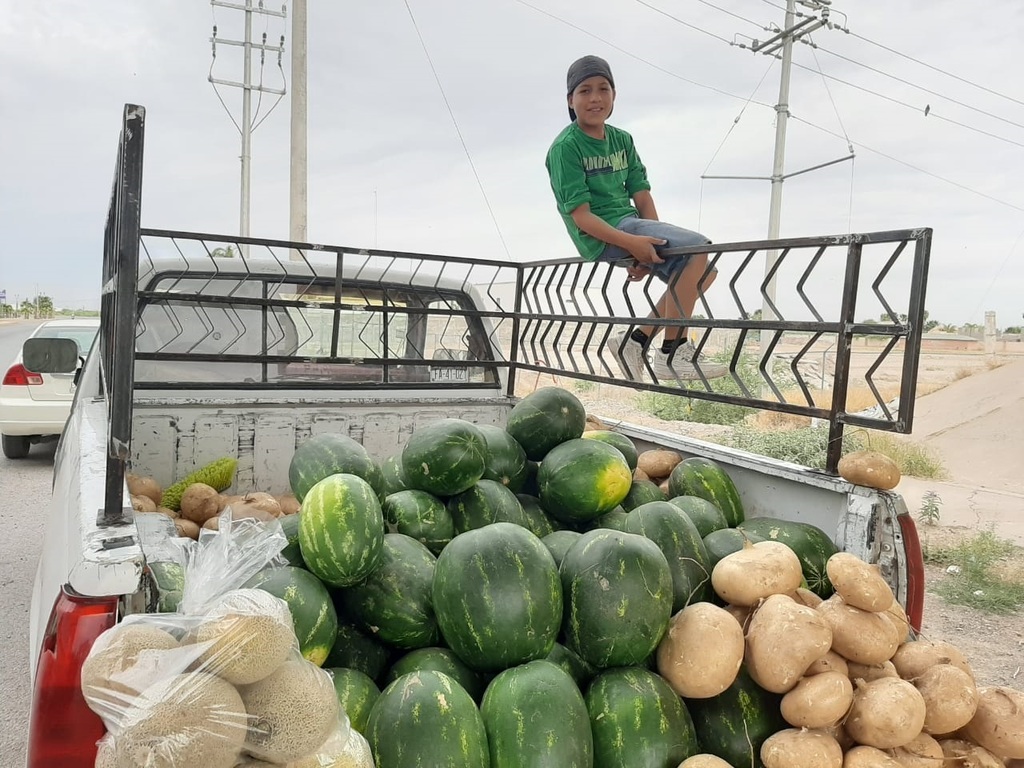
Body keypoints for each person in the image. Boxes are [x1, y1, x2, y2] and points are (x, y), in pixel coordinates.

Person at [544, 54, 727, 382]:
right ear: (570, 100)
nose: (596, 98)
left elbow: (642, 195)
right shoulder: (566, 148)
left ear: (614, 95)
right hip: (601, 233)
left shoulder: (622, 140)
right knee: (698, 248)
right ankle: (672, 353)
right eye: (585, 91)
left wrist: (650, 247)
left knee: (704, 273)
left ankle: (635, 341)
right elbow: (581, 217)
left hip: (631, 225)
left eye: (603, 89)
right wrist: (632, 244)